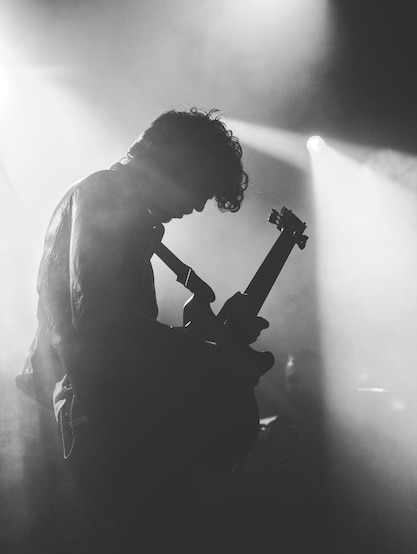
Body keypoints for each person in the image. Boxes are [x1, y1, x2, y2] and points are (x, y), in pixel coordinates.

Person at [22, 107, 269, 552]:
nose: (197, 205)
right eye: (201, 187)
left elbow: (116, 330)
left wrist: (200, 340)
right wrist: (210, 355)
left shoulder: (118, 204)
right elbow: (100, 321)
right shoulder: (108, 196)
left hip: (103, 419)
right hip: (100, 423)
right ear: (177, 161)